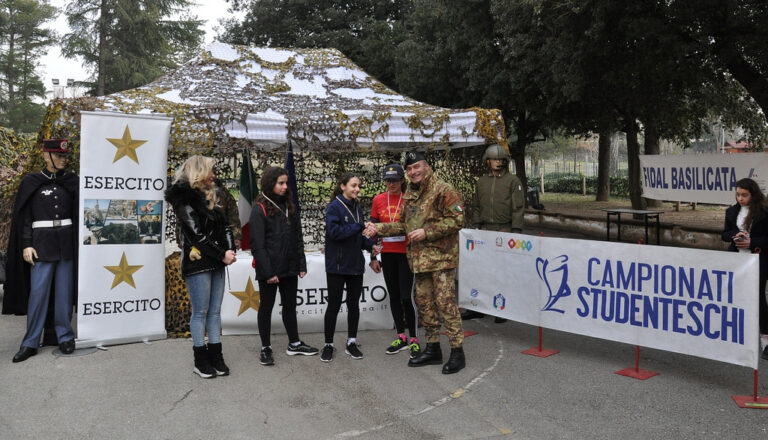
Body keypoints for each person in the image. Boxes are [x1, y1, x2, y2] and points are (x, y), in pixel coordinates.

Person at [365, 151, 467, 374]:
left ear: (426, 166)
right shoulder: (410, 193)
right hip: (419, 261)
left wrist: (427, 232)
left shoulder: (443, 189)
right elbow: (403, 225)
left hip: (441, 260)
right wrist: (378, 228)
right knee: (424, 305)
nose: (413, 172)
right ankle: (433, 349)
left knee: (445, 304)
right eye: (409, 169)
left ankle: (457, 352)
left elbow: (458, 219)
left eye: (416, 167)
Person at [5, 139, 78, 363]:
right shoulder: (32, 182)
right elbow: (25, 217)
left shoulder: (72, 181)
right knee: (37, 295)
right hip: (41, 246)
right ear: (46, 156)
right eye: (58, 156)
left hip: (66, 245)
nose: (62, 159)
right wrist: (27, 244)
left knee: (64, 295)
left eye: (64, 156)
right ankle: (30, 341)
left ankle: (65, 336)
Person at [165, 155, 237, 378]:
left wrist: (230, 249)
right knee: (201, 312)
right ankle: (200, 359)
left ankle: (216, 356)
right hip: (199, 263)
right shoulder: (184, 201)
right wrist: (222, 254)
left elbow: (225, 226)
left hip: (217, 260)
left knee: (215, 313)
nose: (214, 175)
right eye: (210, 171)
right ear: (198, 173)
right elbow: (196, 235)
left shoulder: (213, 194)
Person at [250, 166, 318, 366]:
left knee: (290, 307)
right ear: (270, 184)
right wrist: (268, 272)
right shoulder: (259, 208)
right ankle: (265, 347)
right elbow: (257, 245)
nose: (285, 186)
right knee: (266, 308)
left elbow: (298, 237)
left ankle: (294, 343)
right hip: (269, 270)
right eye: (280, 183)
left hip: (289, 267)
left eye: (286, 183)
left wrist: (301, 263)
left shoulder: (290, 205)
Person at [462, 143, 525, 323]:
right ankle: (477, 306)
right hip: (484, 231)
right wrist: (476, 226)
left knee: (501, 271)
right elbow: (477, 206)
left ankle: (501, 308)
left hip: (504, 229)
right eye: (493, 159)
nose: (497, 162)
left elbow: (518, 207)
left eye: (500, 159)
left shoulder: (513, 182)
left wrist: (516, 231)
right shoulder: (481, 182)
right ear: (487, 161)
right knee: (480, 271)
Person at [321, 172, 377, 362]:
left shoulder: (357, 208)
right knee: (334, 305)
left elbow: (358, 238)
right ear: (343, 186)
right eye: (353, 185)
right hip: (336, 266)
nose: (357, 189)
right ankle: (328, 344)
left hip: (355, 265)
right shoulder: (334, 207)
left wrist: (370, 246)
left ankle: (351, 342)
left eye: (358, 185)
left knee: (353, 305)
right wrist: (359, 226)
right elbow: (335, 232)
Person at [369, 164, 420, 357]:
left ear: (402, 181)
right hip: (387, 254)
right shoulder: (378, 200)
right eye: (388, 180)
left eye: (395, 180)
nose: (391, 184)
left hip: (406, 253)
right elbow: (373, 230)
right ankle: (401, 336)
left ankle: (414, 338)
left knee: (407, 296)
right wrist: (373, 256)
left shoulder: (410, 199)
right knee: (394, 296)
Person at [721, 177, 768, 360]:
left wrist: (752, 241)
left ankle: (765, 340)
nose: (740, 198)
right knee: (737, 298)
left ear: (753, 194)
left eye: (744, 195)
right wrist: (736, 235)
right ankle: (740, 338)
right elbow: (724, 234)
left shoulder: (764, 212)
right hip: (737, 260)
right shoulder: (732, 212)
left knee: (757, 299)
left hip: (758, 260)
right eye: (738, 194)